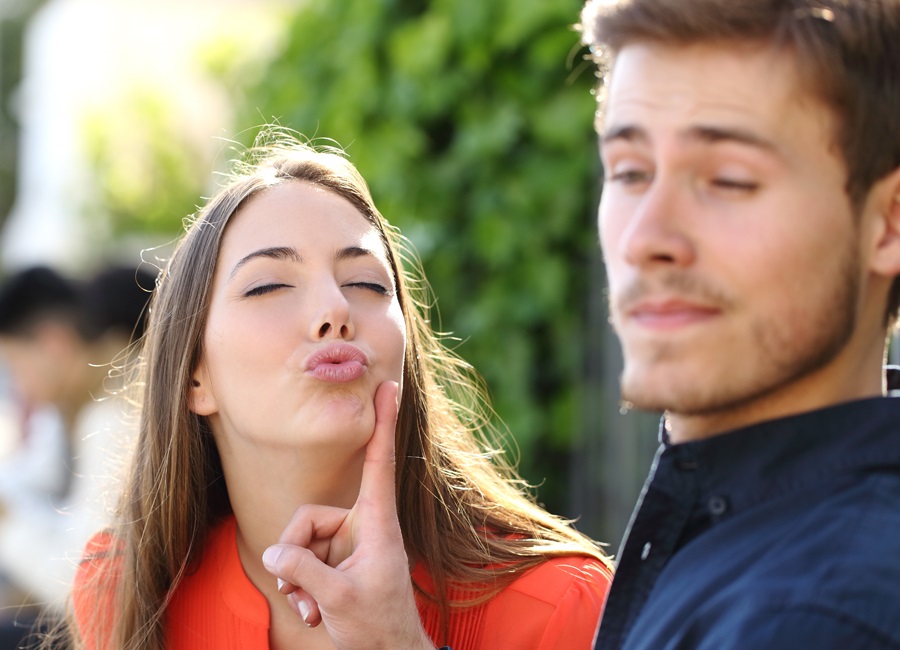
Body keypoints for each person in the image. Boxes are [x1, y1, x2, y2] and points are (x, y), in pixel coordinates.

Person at [61, 133, 613, 650]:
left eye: (367, 283)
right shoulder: (126, 592)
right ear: (193, 376)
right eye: (269, 285)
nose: (335, 308)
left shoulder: (564, 606)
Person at [575, 0, 900, 647]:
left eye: (728, 180)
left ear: (888, 223)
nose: (645, 238)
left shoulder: (807, 620)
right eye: (631, 172)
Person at [0, 264, 153, 646]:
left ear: (54, 342)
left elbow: (83, 591)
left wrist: (7, 524)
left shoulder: (113, 414)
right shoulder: (79, 408)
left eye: (15, 365)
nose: (20, 386)